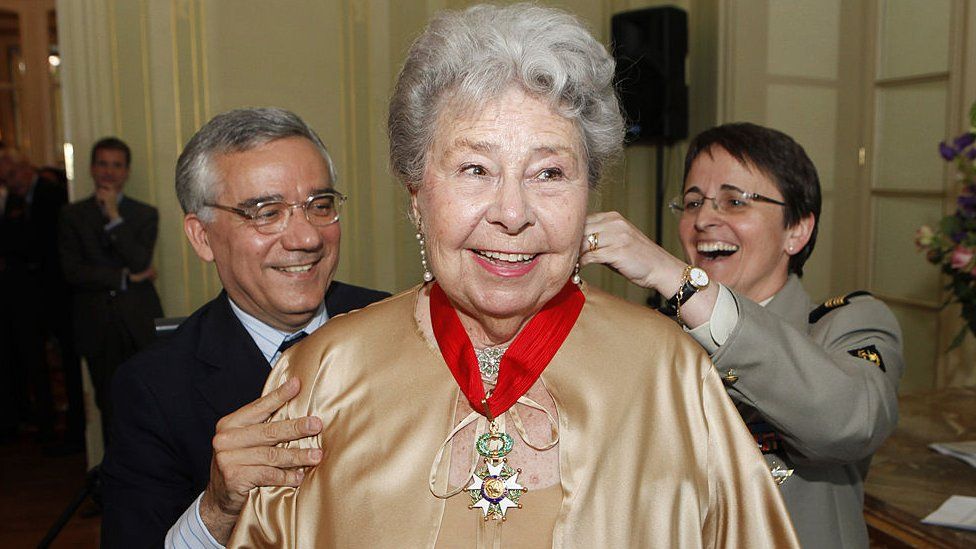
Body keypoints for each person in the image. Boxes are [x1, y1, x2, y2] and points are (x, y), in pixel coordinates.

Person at [228, 5, 799, 547]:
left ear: (588, 196)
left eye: (549, 172)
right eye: (475, 169)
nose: (512, 212)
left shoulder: (672, 378)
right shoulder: (322, 375)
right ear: (416, 195)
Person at [580, 122, 904, 548]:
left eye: (735, 202)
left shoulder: (844, 325)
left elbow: (850, 423)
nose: (704, 219)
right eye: (693, 202)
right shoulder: (652, 334)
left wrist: (676, 279)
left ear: (797, 231)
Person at [99, 107, 389, 548]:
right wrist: (215, 509)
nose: (306, 238)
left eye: (320, 205)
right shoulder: (154, 389)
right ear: (201, 237)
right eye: (266, 212)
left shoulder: (398, 327)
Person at [59, 137, 163, 447]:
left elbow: (140, 259)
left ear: (126, 172)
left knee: (148, 403)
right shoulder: (72, 215)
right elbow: (73, 271)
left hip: (138, 322)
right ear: (92, 168)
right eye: (103, 164)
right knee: (109, 406)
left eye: (116, 165)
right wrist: (123, 277)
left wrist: (115, 217)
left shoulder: (145, 214)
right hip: (96, 324)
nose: (109, 171)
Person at [0, 149, 73, 444]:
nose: (12, 183)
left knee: (67, 361)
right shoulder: (13, 200)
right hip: (24, 297)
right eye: (6, 179)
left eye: (14, 175)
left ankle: (70, 427)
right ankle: (44, 424)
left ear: (26, 167)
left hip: (57, 293)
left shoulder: (50, 193)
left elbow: (44, 243)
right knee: (32, 360)